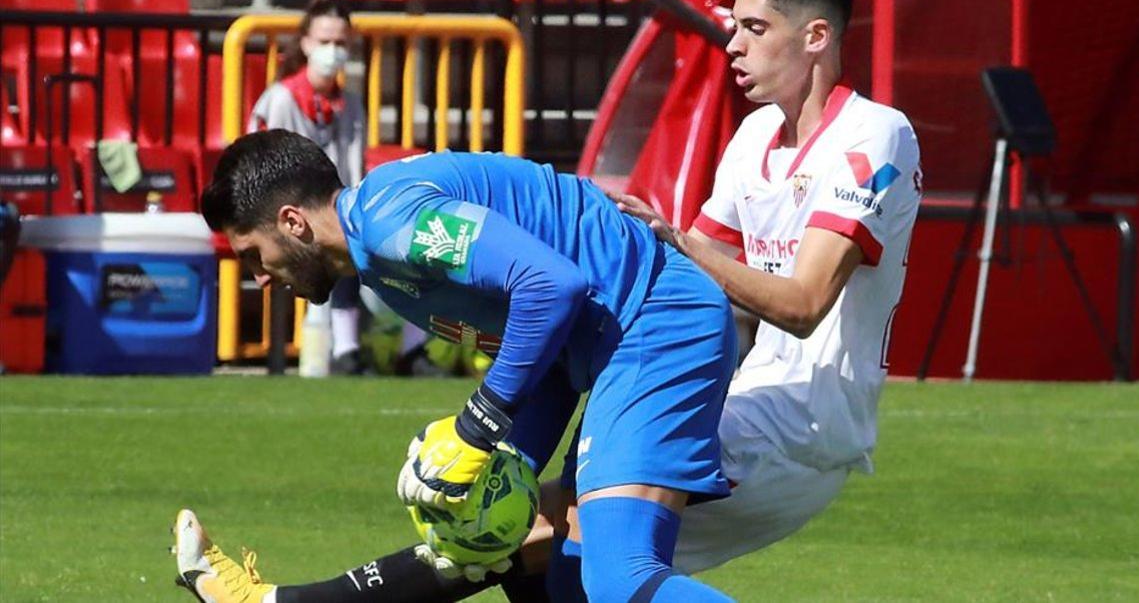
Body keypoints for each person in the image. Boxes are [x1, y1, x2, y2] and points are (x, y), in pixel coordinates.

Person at [171, 0, 922, 602]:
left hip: (799, 420)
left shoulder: (871, 136)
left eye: (753, 29)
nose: (731, 45)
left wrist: (478, 426)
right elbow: (624, 294)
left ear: (816, 35)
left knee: (613, 573)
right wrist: (499, 461)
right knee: (510, 539)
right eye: (733, 26)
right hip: (696, 369)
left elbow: (791, 302)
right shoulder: (755, 134)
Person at [177, 129, 738, 603]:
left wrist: (478, 427)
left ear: (293, 222)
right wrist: (497, 473)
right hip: (605, 342)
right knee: (534, 560)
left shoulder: (387, 221)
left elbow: (551, 288)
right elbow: (548, 340)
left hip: (656, 319)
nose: (260, 278)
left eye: (253, 254)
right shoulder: (377, 260)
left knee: (619, 578)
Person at [248, 0, 369, 375]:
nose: (332, 51)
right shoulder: (281, 99)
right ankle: (335, 346)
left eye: (340, 43)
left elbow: (354, 166)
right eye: (324, 42)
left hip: (336, 207)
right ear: (305, 43)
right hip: (282, 209)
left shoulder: (350, 103)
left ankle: (352, 348)